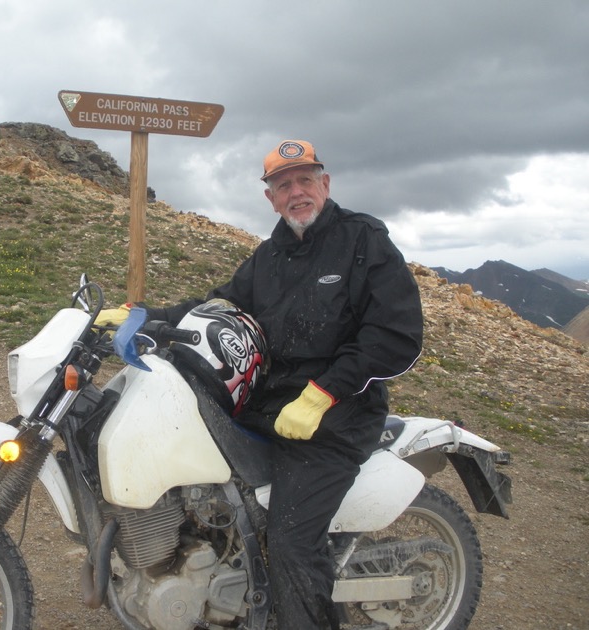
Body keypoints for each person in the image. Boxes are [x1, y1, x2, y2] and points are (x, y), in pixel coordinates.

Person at [99, 140, 424, 629]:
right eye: (283, 184)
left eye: (305, 180)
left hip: (337, 419)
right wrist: (144, 318)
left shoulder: (363, 241)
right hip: (269, 407)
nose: (296, 192)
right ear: (270, 197)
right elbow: (220, 307)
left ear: (325, 183)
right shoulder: (269, 256)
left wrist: (324, 393)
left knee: (291, 541)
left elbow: (395, 335)